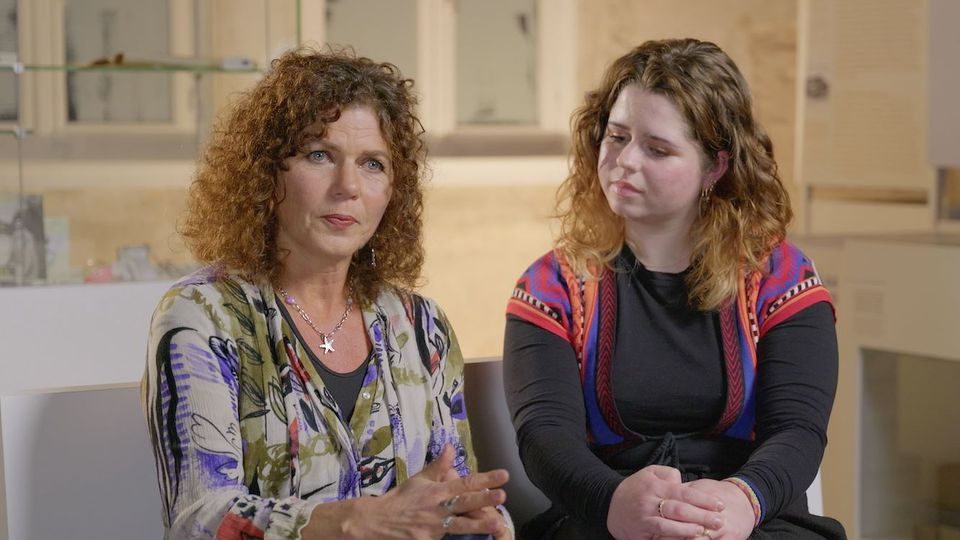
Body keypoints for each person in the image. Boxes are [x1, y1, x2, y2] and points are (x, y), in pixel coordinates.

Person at [142, 48, 512, 540]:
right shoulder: (203, 316)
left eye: (373, 164)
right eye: (320, 155)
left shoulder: (422, 326)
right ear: (266, 171)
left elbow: (457, 494)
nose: (347, 187)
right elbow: (199, 518)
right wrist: (355, 523)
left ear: (394, 190)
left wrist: (486, 521)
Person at [503, 38, 845, 539]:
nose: (625, 161)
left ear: (715, 167)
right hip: (605, 515)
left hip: (751, 515)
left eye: (657, 149)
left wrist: (740, 501)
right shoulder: (551, 284)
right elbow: (545, 436)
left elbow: (798, 430)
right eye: (616, 136)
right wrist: (615, 502)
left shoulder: (781, 277)